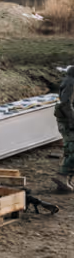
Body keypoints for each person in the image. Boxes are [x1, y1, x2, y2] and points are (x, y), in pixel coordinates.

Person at [56, 64, 74, 192]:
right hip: (68, 121)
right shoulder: (71, 84)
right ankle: (63, 179)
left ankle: (66, 180)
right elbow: (66, 104)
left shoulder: (69, 80)